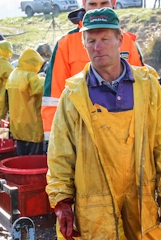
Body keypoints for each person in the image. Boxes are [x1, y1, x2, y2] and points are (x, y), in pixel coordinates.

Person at [46, 8, 161, 240]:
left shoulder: (148, 85)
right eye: (91, 41)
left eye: (105, 39)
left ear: (120, 40)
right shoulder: (73, 94)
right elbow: (60, 152)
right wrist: (62, 201)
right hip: (92, 203)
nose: (98, 47)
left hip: (141, 197)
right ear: (84, 44)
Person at [41, 0, 144, 143]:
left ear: (113, 4)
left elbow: (142, 93)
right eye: (93, 4)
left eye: (104, 3)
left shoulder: (128, 42)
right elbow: (53, 97)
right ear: (84, 5)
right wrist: (52, 139)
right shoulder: (65, 44)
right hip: (79, 135)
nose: (99, 8)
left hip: (124, 136)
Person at [6, 48, 45, 156]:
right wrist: (44, 78)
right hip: (32, 124)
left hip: (17, 124)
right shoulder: (30, 76)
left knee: (20, 156)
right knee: (33, 158)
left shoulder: (13, 74)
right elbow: (42, 88)